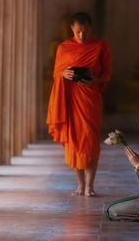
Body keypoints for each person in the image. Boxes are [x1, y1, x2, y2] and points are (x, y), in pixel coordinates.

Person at [47, 12, 112, 197]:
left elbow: (107, 74)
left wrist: (94, 80)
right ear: (72, 29)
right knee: (74, 141)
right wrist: (63, 75)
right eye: (78, 32)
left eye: (84, 31)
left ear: (90, 28)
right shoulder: (64, 47)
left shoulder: (100, 46)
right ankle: (80, 184)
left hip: (90, 99)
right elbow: (56, 73)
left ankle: (90, 185)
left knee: (90, 141)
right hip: (70, 99)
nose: (81, 35)